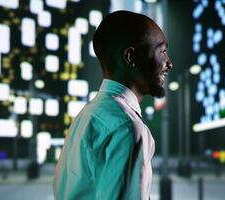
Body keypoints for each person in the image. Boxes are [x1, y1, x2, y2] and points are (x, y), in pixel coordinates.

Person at [53, 10, 173, 200]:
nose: (169, 63)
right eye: (162, 50)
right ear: (130, 57)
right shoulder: (126, 128)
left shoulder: (87, 116)